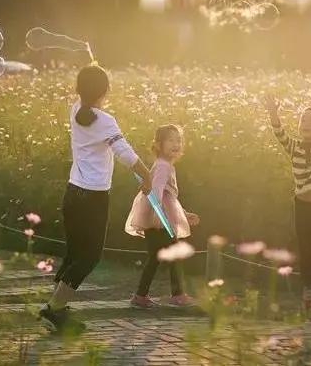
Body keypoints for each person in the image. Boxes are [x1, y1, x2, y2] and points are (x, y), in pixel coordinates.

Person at [40, 65, 153, 334]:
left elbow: (88, 96)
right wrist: (147, 176)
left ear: (79, 90)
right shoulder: (104, 120)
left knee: (76, 253)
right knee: (90, 256)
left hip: (73, 194)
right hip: (93, 198)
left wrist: (95, 78)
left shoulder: (75, 110)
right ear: (105, 91)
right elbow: (124, 153)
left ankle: (58, 309)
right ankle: (54, 309)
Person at [263, 74, 311, 309]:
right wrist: (274, 113)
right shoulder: (294, 146)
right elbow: (279, 133)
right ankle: (308, 286)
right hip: (303, 205)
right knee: (305, 247)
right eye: (303, 120)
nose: (307, 123)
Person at [125, 125, 200, 308]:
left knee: (157, 257)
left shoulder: (165, 165)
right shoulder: (163, 166)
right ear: (159, 145)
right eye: (170, 140)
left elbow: (169, 197)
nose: (176, 144)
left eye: (178, 140)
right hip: (159, 220)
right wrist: (159, 219)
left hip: (160, 218)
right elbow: (156, 193)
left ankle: (142, 295)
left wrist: (183, 213)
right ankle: (176, 294)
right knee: (168, 255)